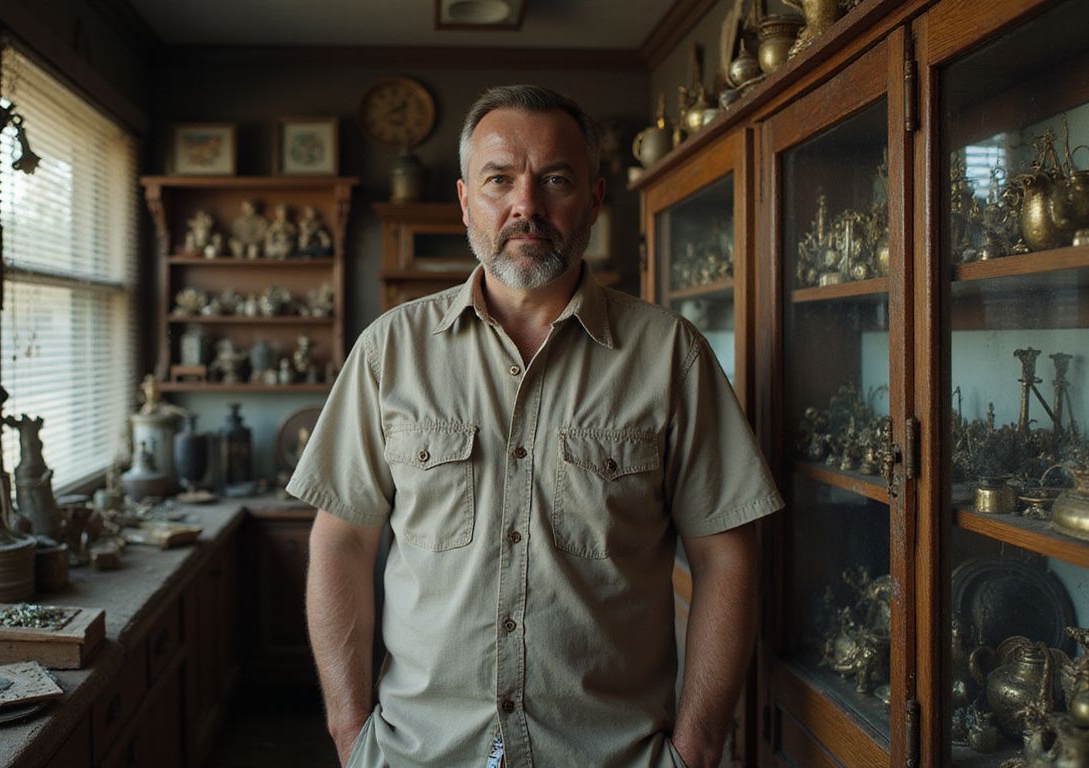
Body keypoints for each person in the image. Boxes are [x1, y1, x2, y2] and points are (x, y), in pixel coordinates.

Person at [287, 84, 782, 768]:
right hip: (419, 752)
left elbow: (727, 554)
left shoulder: (671, 355)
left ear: (595, 199)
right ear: (466, 201)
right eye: (499, 180)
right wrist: (350, 732)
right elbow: (341, 540)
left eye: (555, 179)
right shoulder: (388, 351)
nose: (527, 205)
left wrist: (696, 747)